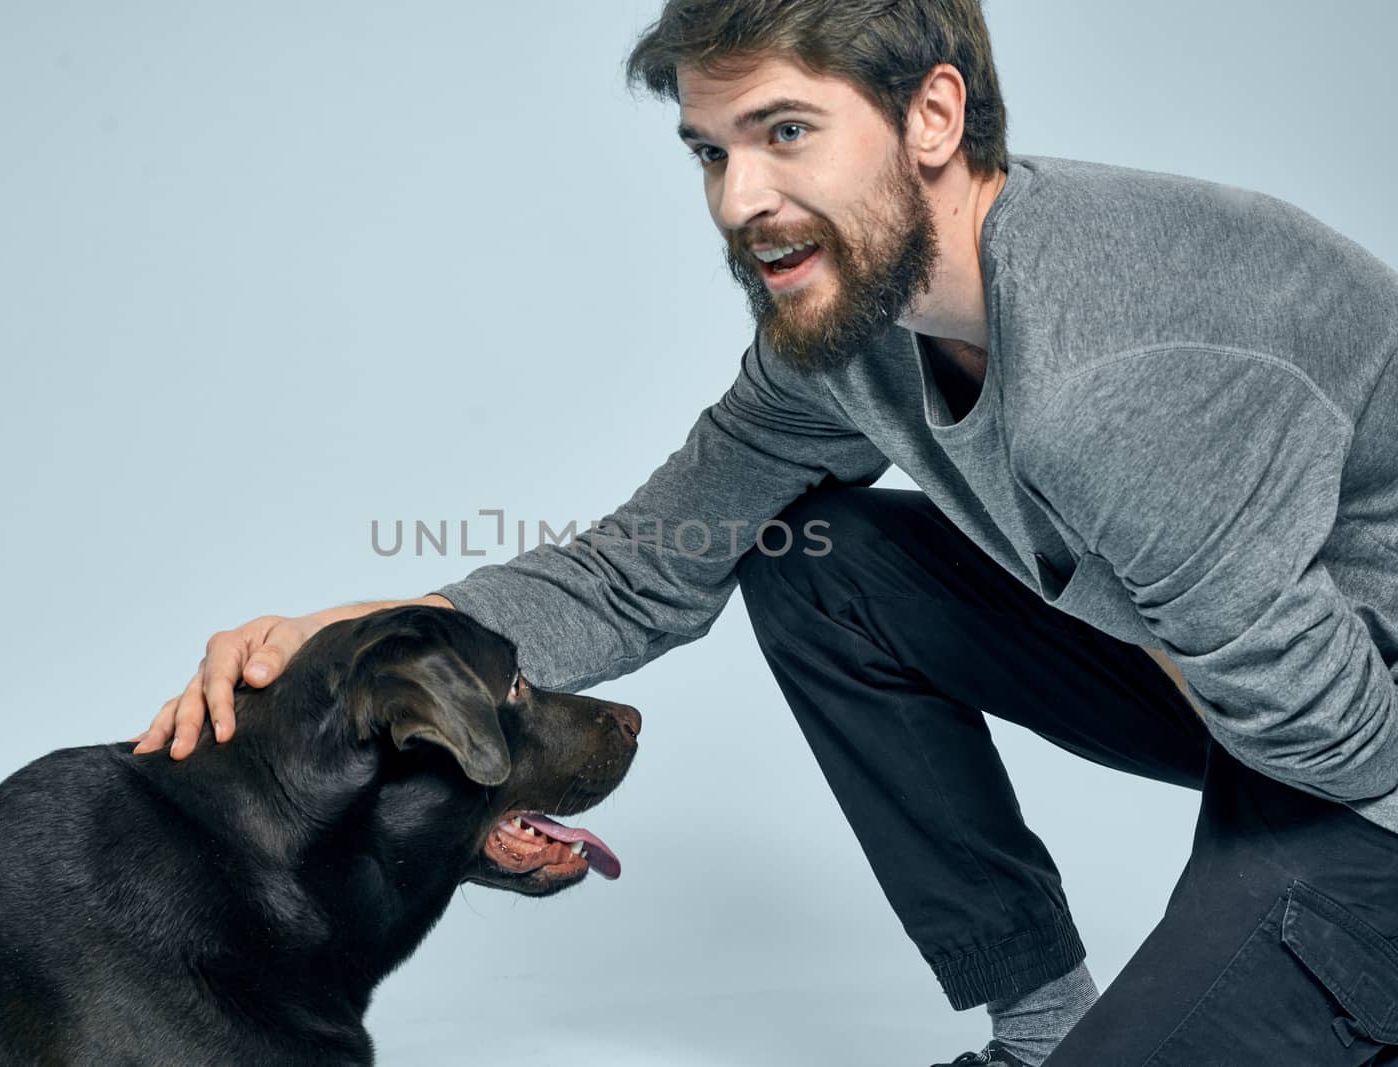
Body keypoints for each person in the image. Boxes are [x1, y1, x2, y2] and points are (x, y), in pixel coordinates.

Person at [133, 1, 1398, 1063]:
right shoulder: (852, 333)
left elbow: (1335, 743)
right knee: (820, 564)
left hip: (1363, 751)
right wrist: (362, 638)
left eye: (786, 133)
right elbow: (647, 562)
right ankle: (1040, 1022)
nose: (742, 199)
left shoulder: (1117, 368)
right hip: (1259, 682)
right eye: (709, 152)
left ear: (933, 116)